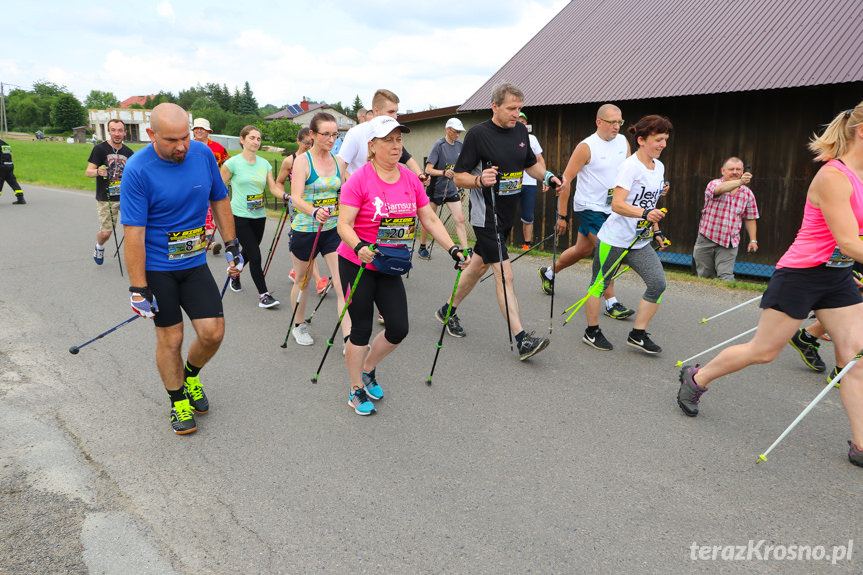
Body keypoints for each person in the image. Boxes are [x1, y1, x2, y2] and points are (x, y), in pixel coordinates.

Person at [677, 103, 863, 468]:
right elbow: (848, 241)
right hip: (801, 275)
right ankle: (697, 377)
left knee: (853, 361)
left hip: (837, 277)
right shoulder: (834, 176)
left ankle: (861, 444)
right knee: (763, 351)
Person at [120, 102, 241, 435]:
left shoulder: (202, 155)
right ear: (151, 135)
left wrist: (231, 245)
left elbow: (219, 199)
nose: (182, 146)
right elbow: (134, 233)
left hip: (194, 262)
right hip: (158, 269)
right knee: (171, 339)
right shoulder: (138, 169)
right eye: (172, 140)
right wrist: (138, 287)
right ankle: (178, 402)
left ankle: (190, 377)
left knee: (213, 332)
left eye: (185, 137)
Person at [337, 115, 470, 415]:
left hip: (390, 264)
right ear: (372, 146)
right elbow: (343, 225)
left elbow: (429, 218)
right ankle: (355, 388)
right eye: (389, 140)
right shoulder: (359, 180)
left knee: (398, 328)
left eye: (399, 139)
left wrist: (453, 249)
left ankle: (369, 368)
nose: (396, 146)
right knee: (360, 328)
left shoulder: (410, 179)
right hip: (358, 263)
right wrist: (359, 246)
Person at [434, 83, 562, 360]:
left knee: (478, 266)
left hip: (507, 214)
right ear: (495, 106)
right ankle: (521, 338)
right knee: (506, 274)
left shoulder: (520, 132)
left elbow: (530, 163)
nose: (517, 113)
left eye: (519, 108)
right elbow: (458, 176)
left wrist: (548, 176)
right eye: (511, 108)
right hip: (485, 216)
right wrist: (479, 180)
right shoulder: (479, 135)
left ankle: (447, 310)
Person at [582, 115, 673, 353]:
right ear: (642, 140)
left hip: (639, 242)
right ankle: (591, 332)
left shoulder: (658, 166)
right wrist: (644, 213)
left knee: (658, 284)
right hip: (614, 239)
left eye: (665, 139)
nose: (663, 144)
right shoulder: (629, 167)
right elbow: (617, 205)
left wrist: (657, 231)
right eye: (659, 139)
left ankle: (638, 334)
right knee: (599, 285)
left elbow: (652, 205)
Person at [537, 103, 635, 321]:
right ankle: (611, 303)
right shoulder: (586, 147)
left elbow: (629, 174)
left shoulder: (623, 142)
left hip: (613, 207)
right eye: (612, 122)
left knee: (583, 249)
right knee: (609, 250)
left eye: (620, 122)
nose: (617, 127)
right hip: (590, 208)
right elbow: (565, 180)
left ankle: (549, 272)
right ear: (599, 122)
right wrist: (562, 216)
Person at [288, 112, 350, 347]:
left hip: (333, 230)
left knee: (342, 282)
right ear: (312, 135)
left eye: (335, 134)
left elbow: (348, 188)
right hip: (306, 230)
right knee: (302, 281)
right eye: (326, 134)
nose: (332, 139)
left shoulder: (338, 161)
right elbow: (295, 198)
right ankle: (299, 324)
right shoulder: (303, 161)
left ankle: (348, 337)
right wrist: (314, 211)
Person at [221, 125, 282, 308]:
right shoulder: (232, 163)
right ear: (242, 139)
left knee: (248, 251)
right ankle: (264, 295)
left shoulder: (264, 164)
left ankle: (235, 270)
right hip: (239, 215)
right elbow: (217, 187)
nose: (256, 141)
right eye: (252, 138)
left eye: (258, 138)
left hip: (259, 215)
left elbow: (272, 188)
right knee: (255, 256)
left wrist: (287, 196)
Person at [337, 89, 427, 181]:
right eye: (391, 112)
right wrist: (356, 187)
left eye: (396, 112)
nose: (395, 117)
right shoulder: (356, 133)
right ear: (376, 111)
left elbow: (408, 160)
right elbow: (341, 166)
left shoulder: (393, 137)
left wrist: (420, 175)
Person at [692, 157, 759, 281]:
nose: (734, 172)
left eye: (738, 169)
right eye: (731, 169)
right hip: (707, 238)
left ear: (743, 171)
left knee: (726, 277)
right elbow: (719, 190)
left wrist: (753, 240)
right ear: (723, 171)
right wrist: (740, 182)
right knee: (705, 277)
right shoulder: (714, 184)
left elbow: (750, 218)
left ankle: (728, 299)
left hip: (729, 242)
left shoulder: (747, 193)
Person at [277, 129, 326, 293]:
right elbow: (279, 182)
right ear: (298, 141)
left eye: (311, 143)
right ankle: (319, 280)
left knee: (316, 239)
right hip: (297, 205)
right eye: (306, 143)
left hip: (315, 205)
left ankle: (296, 270)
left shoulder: (317, 160)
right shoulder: (290, 161)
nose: (309, 146)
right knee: (308, 239)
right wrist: (286, 196)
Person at [418, 117, 468, 258]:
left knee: (460, 218)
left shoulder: (460, 145)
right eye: (455, 131)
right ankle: (422, 247)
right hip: (436, 188)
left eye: (459, 132)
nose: (457, 135)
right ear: (447, 129)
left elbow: (460, 168)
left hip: (451, 188)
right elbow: (428, 169)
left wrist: (461, 187)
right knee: (428, 220)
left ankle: (465, 250)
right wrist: (443, 172)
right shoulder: (439, 145)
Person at [86, 119, 134, 264]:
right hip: (106, 196)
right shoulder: (99, 149)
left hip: (125, 198)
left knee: (133, 229)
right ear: (109, 131)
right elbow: (88, 172)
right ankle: (99, 246)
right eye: (113, 130)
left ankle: (133, 257)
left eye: (120, 130)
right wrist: (98, 172)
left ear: (125, 133)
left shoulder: (129, 152)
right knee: (106, 233)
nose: (117, 133)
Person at [192, 117, 229, 255]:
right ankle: (207, 241)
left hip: (213, 187)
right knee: (199, 214)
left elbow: (227, 164)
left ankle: (209, 241)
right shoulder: (187, 146)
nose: (199, 130)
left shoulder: (218, 148)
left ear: (208, 131)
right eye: (196, 128)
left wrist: (225, 180)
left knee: (211, 215)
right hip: (194, 188)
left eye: (202, 128)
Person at [516, 112, 545, 250]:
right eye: (518, 121)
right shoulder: (507, 136)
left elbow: (540, 160)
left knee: (528, 215)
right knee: (506, 212)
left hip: (530, 182)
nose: (521, 124)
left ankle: (527, 244)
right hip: (512, 181)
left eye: (523, 122)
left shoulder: (532, 139)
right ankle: (499, 242)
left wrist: (545, 179)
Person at [0, 138, 26, 204]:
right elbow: (10, 155)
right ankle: (21, 198)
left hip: (1, 166)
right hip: (9, 165)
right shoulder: (6, 144)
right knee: (13, 182)